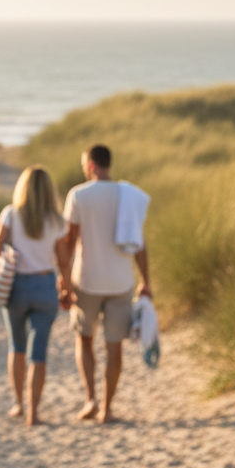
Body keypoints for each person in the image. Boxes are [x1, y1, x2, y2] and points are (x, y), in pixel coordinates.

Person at [56, 144, 151, 423]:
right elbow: (140, 244)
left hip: (86, 280)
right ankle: (107, 409)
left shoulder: (78, 195)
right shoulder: (129, 195)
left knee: (84, 340)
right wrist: (146, 281)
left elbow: (69, 243)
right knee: (114, 347)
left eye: (85, 164)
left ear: (92, 165)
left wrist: (64, 281)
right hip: (121, 282)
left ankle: (90, 400)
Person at [0, 166, 64, 426]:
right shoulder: (56, 220)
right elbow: (63, 260)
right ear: (48, 190)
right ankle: (34, 413)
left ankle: (18, 404)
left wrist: (12, 249)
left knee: (17, 347)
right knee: (39, 352)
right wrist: (67, 286)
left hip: (16, 286)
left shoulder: (10, 214)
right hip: (45, 284)